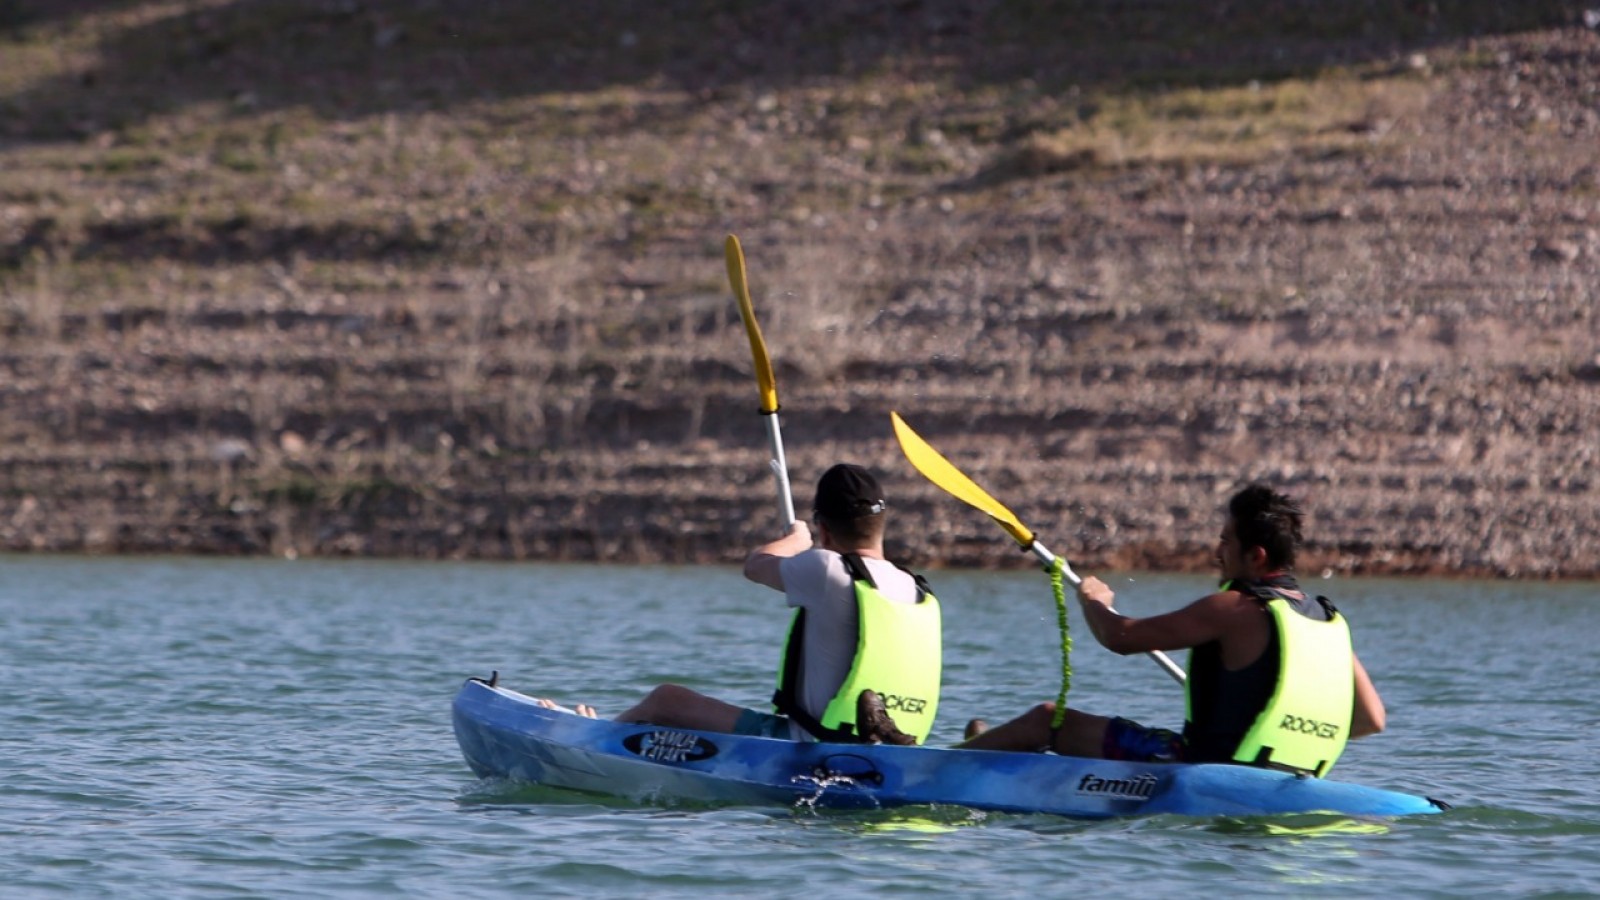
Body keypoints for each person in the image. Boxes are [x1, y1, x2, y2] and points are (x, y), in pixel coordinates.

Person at [958, 484, 1385, 777]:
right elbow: (1371, 719)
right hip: (1288, 775)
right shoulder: (1329, 622)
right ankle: (995, 745)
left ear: (1255, 556)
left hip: (1197, 766)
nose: (1218, 552)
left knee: (1047, 719)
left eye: (1226, 541)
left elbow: (1120, 637)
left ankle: (939, 765)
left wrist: (1094, 601)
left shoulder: (1236, 607)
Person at [538, 463, 942, 745]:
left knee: (666, 700)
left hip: (811, 742)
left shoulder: (826, 568)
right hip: (885, 737)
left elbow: (756, 565)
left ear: (824, 528)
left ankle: (592, 740)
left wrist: (795, 540)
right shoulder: (916, 587)